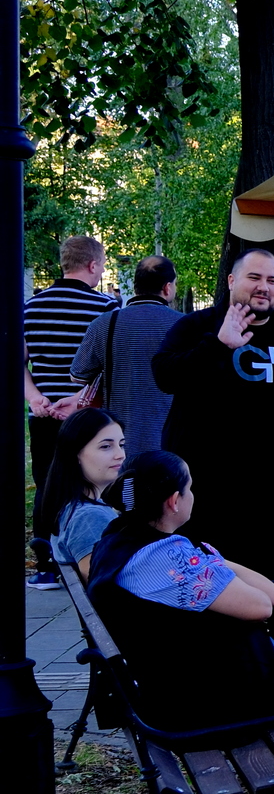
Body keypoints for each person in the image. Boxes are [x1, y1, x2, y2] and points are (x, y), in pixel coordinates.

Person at [84, 451, 274, 755]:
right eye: (190, 488)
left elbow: (225, 565)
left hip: (200, 674)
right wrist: (244, 584)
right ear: (174, 501)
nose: (193, 495)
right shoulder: (165, 557)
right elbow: (259, 607)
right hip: (206, 700)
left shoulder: (125, 535)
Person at [154, 246, 274, 578]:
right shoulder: (196, 327)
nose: (264, 287)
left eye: (272, 280)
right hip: (209, 493)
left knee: (262, 583)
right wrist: (217, 345)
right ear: (232, 281)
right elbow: (165, 376)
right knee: (211, 585)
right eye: (254, 277)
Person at [24, 234, 119, 589]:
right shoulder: (106, 308)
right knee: (94, 487)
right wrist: (79, 399)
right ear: (93, 265)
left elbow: (19, 361)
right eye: (102, 266)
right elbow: (106, 366)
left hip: (43, 414)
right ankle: (90, 559)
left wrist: (36, 399)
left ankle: (46, 565)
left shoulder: (31, 307)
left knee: (47, 484)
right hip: (89, 417)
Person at [71, 255, 180, 456]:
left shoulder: (104, 323)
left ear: (136, 286)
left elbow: (78, 374)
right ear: (167, 288)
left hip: (119, 439)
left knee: (125, 477)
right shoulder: (184, 325)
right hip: (171, 439)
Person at [35, 409, 125, 578]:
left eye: (121, 445)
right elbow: (101, 588)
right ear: (75, 454)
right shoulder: (89, 517)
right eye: (106, 446)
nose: (120, 455)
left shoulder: (75, 506)